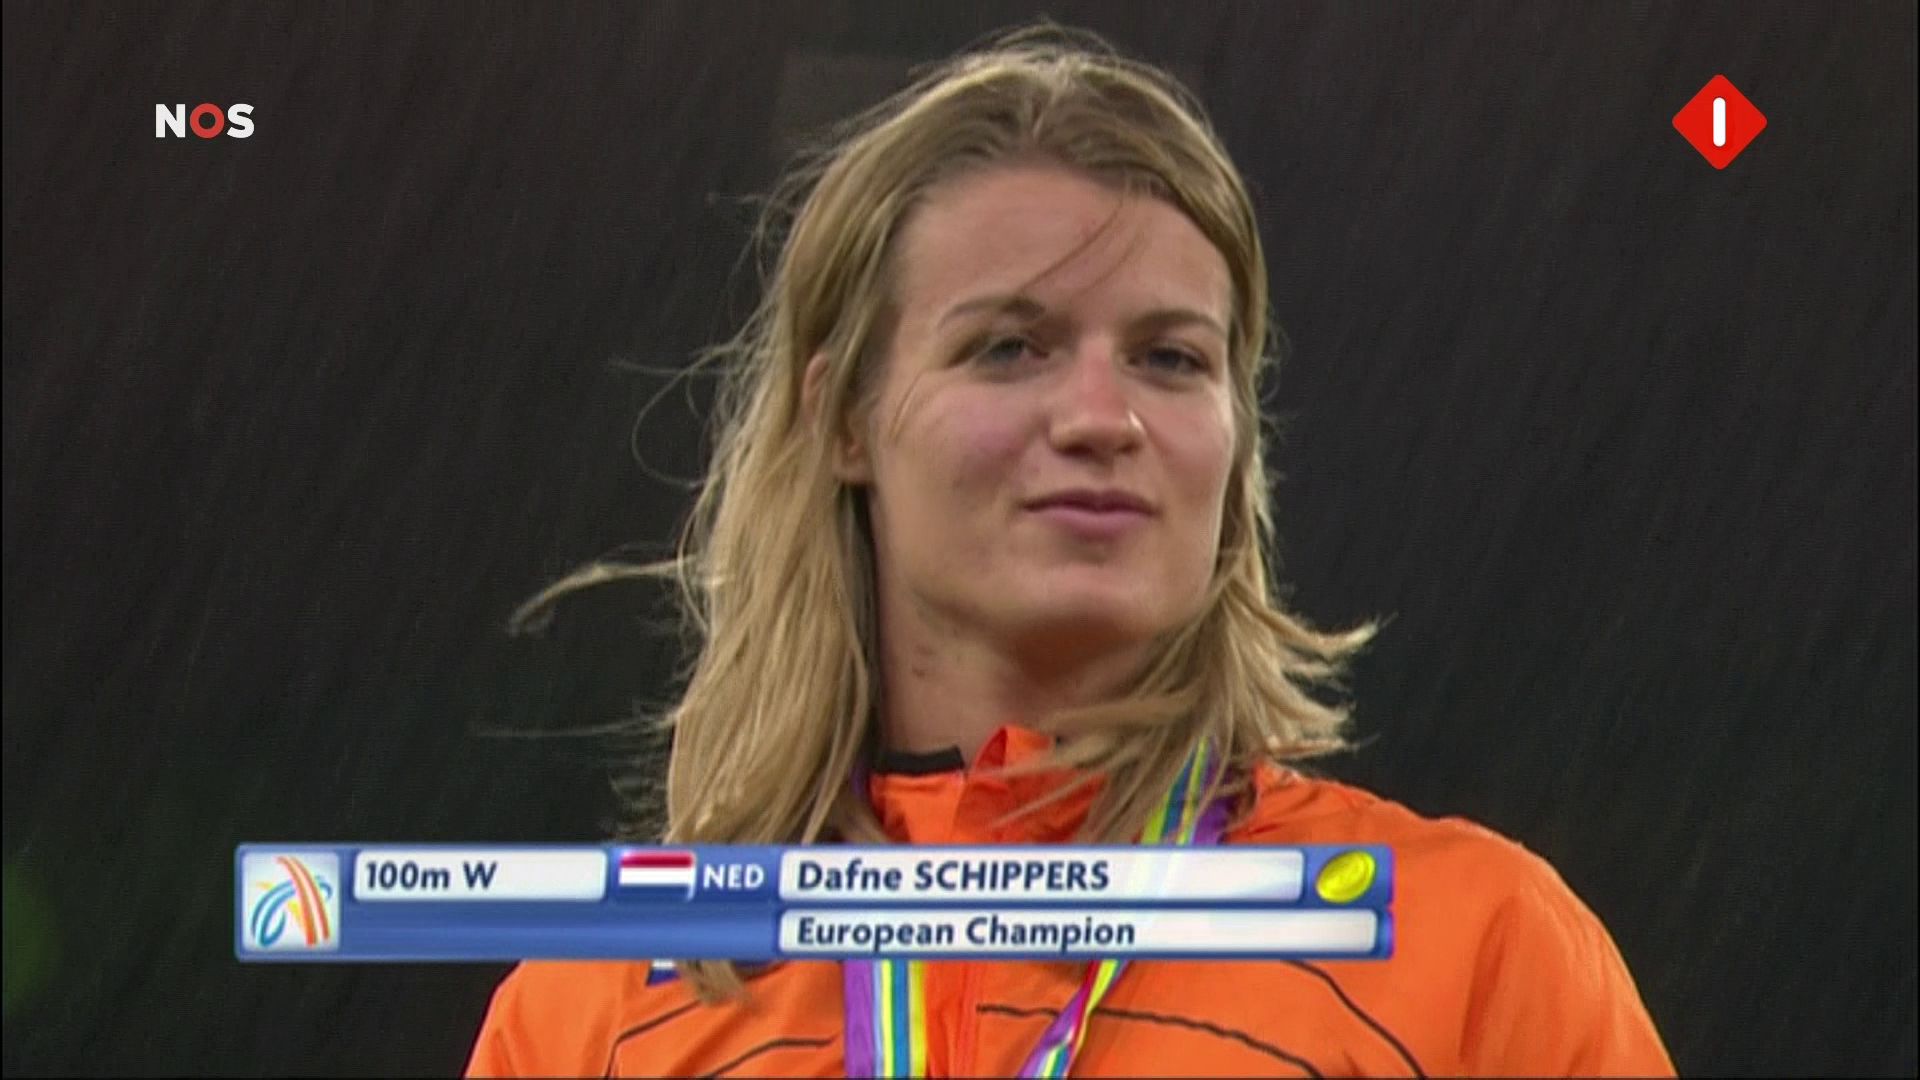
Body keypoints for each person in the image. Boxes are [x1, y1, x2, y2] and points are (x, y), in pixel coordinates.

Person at [467, 24, 1675, 1079]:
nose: (1104, 417)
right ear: (843, 421)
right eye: (1010, 347)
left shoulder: (1473, 953)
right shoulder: (597, 1010)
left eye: (1170, 358)